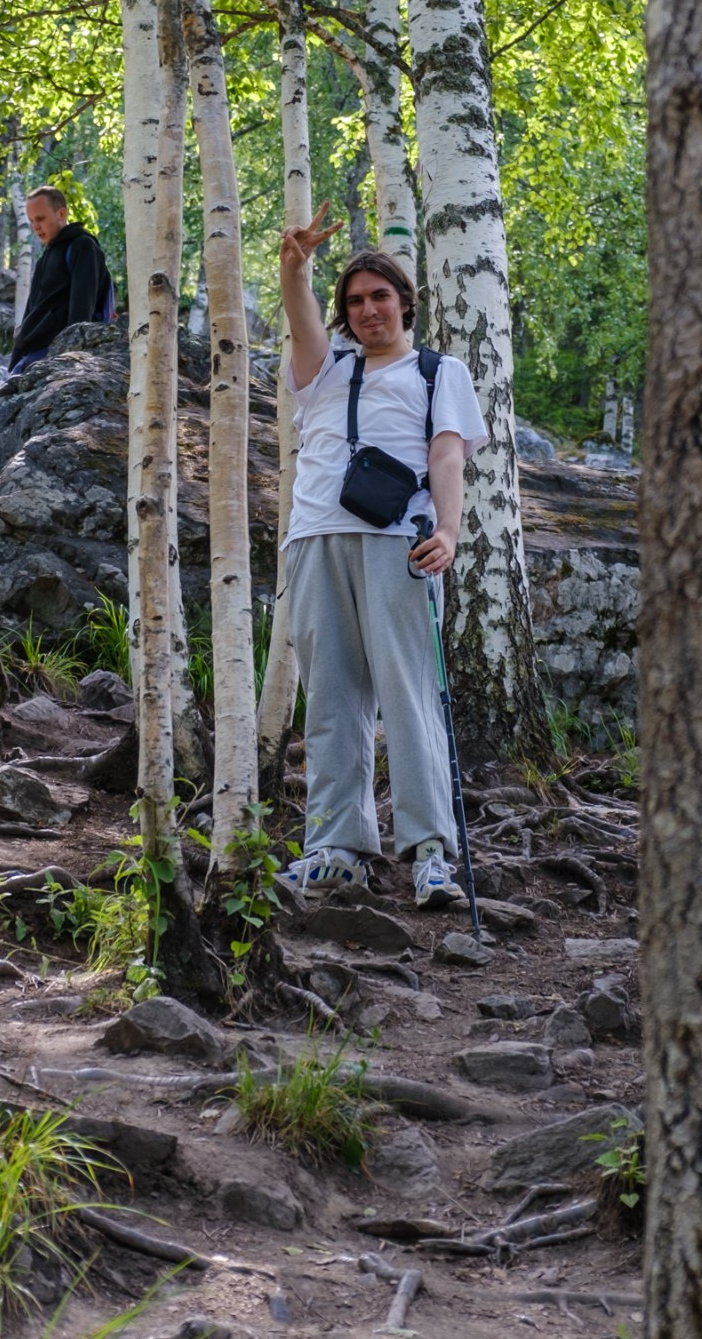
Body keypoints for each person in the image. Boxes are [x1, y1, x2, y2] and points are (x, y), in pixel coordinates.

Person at [272, 212, 485, 911]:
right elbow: (302, 321)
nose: (368, 310)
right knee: (331, 697)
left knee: (409, 696)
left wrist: (449, 532)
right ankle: (337, 849)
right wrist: (295, 267)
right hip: (314, 539)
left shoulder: (437, 371)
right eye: (356, 301)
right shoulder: (323, 371)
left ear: (405, 302)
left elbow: (447, 454)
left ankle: (430, 853)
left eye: (380, 297)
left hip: (402, 542)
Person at [8, 184, 115, 369]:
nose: (36, 227)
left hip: (54, 356)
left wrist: (68, 361)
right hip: (31, 356)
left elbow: (81, 311)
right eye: (32, 221)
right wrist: (14, 361)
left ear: (61, 214)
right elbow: (31, 312)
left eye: (40, 218)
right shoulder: (45, 258)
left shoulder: (83, 247)